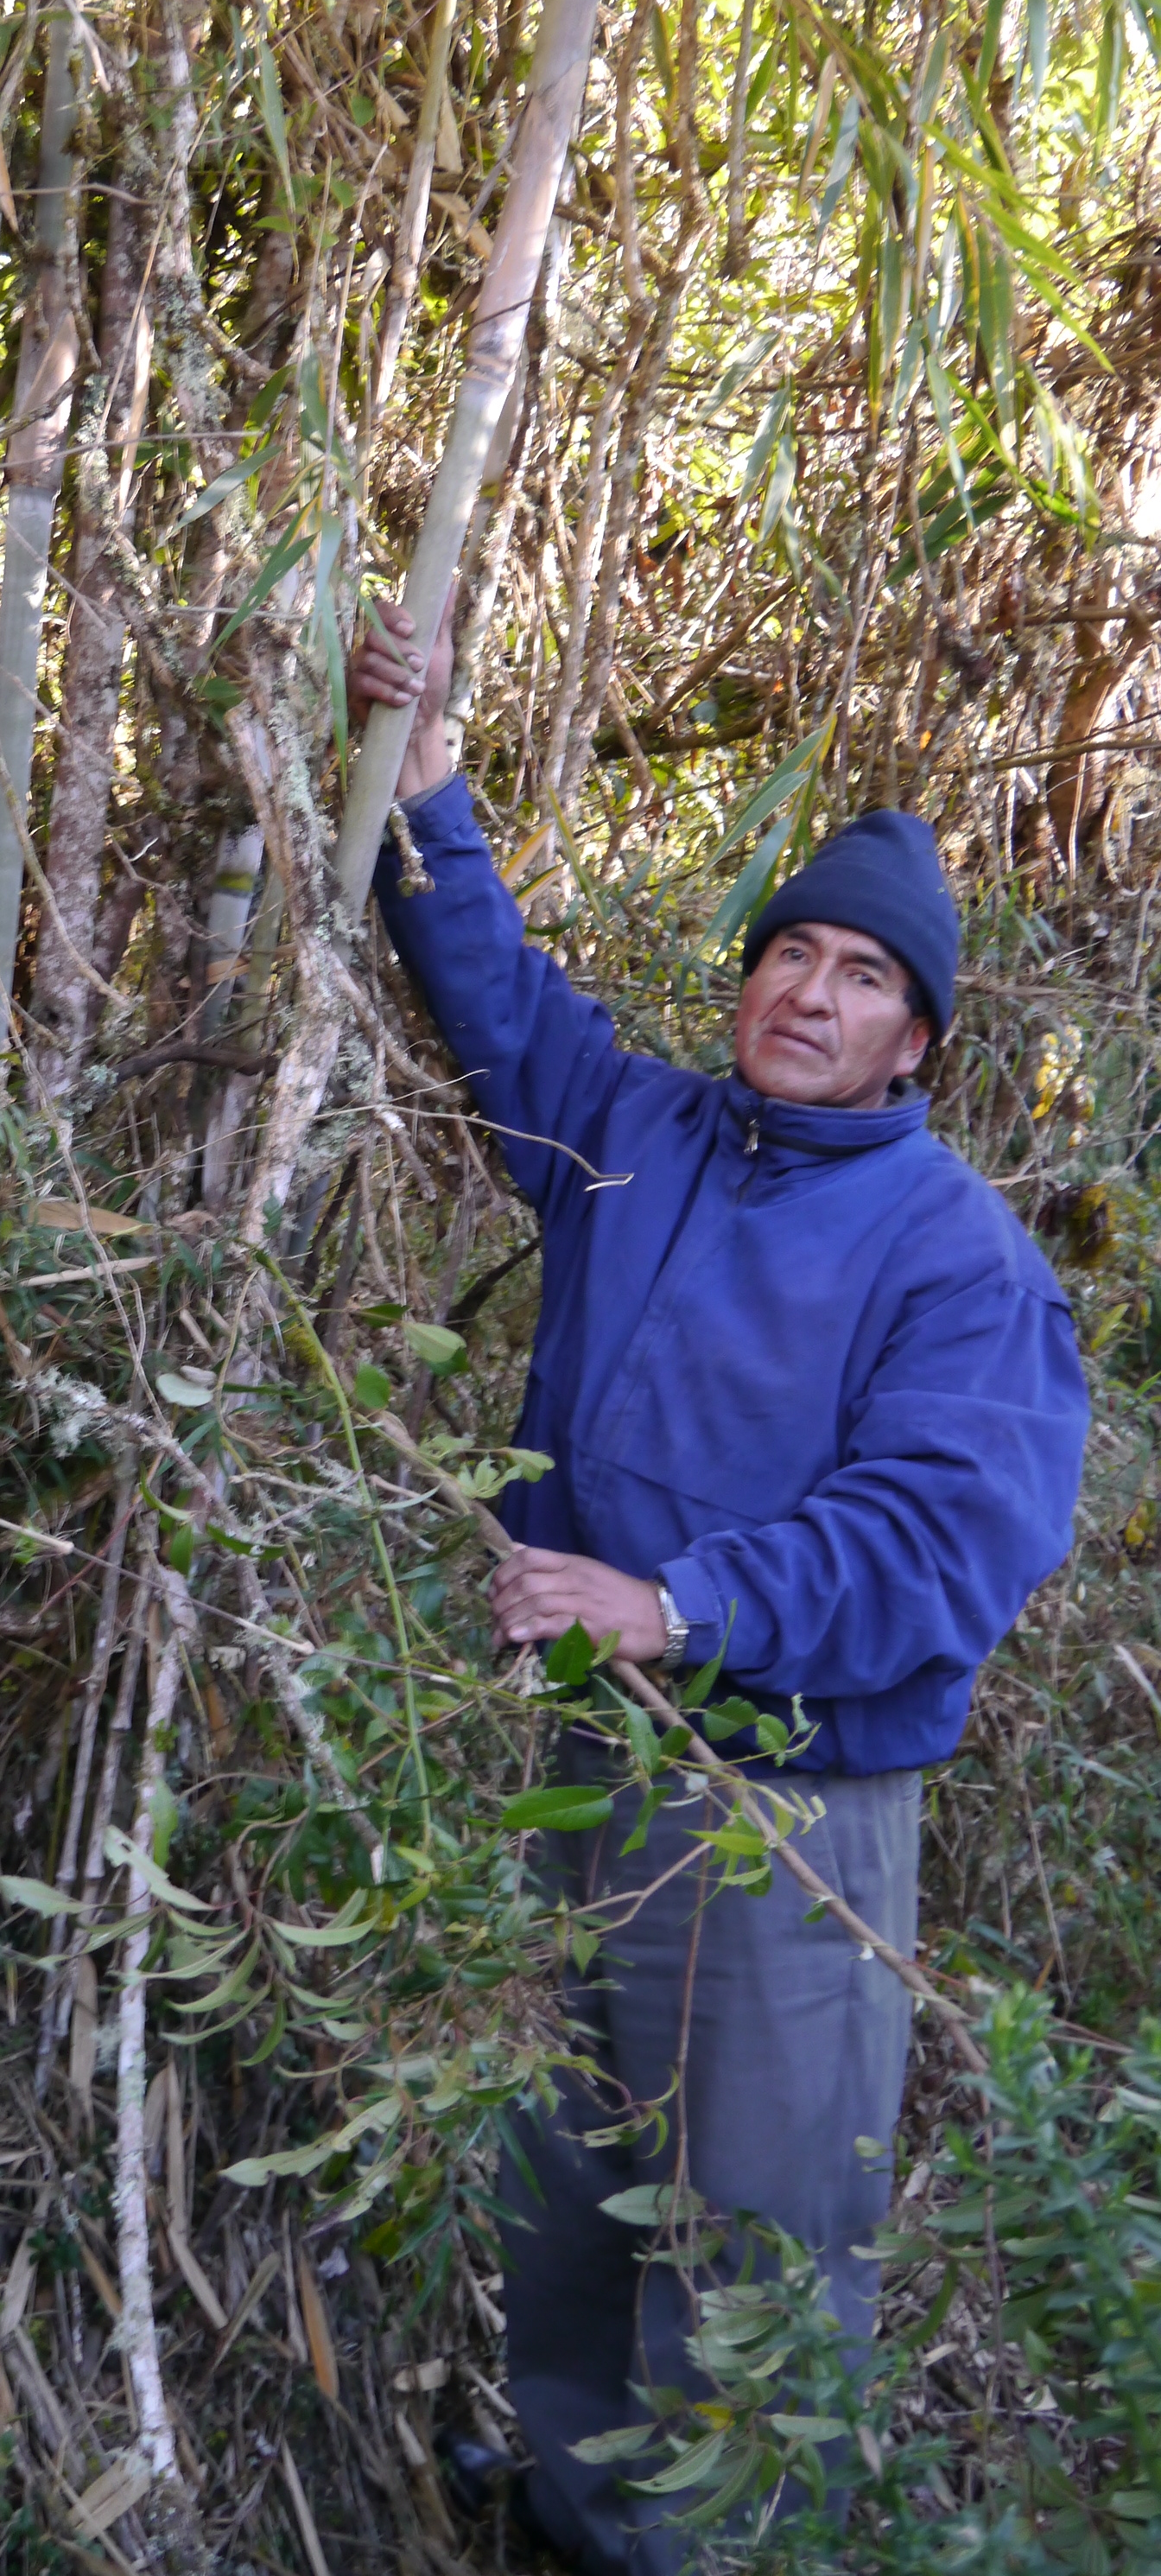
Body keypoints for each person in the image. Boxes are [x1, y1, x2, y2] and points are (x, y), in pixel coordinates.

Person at [348, 599, 1091, 2574]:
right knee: (566, 2181)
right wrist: (427, 779)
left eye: (862, 975)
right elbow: (500, 997)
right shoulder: (650, 1131)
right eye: (789, 951)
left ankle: (737, 2553)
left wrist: (672, 1602)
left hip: (783, 1810)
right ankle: (580, 2519)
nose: (809, 992)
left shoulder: (957, 1254)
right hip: (583, 1763)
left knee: (752, 2235)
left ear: (916, 1040)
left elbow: (942, 1543)